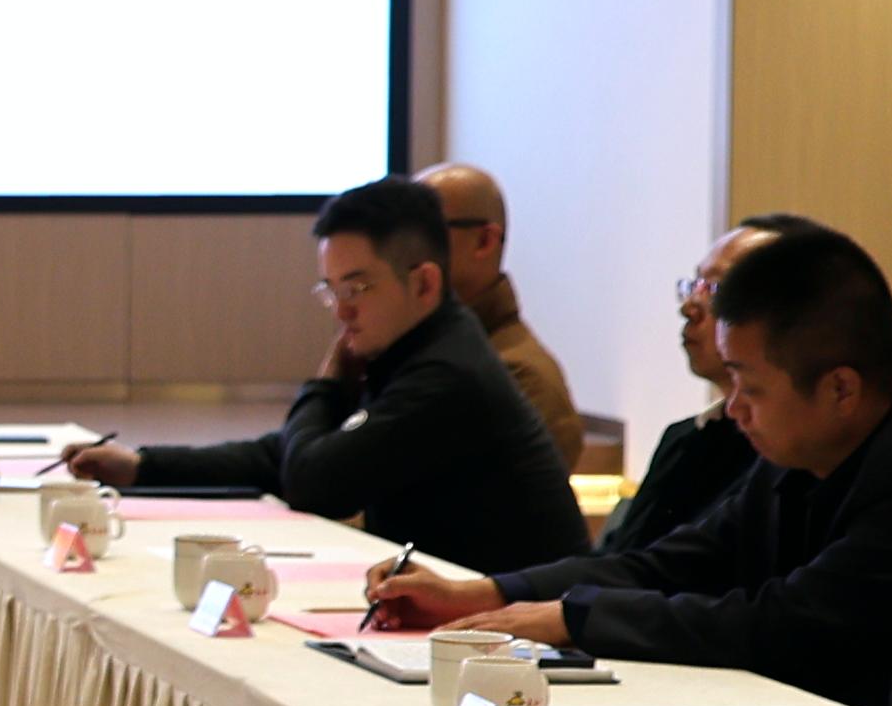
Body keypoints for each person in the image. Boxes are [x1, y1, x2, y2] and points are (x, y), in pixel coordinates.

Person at [368, 221, 892, 706]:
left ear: (840, 388)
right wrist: (488, 593)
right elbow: (672, 563)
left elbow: (783, 626)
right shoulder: (812, 443)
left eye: (749, 386)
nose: (733, 408)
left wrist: (570, 619)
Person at [73, 176, 585, 573]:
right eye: (331, 290)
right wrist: (143, 466)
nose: (341, 311)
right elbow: (284, 456)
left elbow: (313, 483)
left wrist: (325, 386)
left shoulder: (448, 373)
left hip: (513, 641)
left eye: (356, 288)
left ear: (424, 283)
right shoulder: (414, 348)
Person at [599, 220, 812, 556]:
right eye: (694, 285)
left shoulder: (793, 457)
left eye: (716, 290)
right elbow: (620, 560)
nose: (688, 308)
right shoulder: (682, 438)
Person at [422, 160, 592, 475]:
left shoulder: (521, 379)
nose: (407, 251)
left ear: (484, 241)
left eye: (426, 231)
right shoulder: (425, 352)